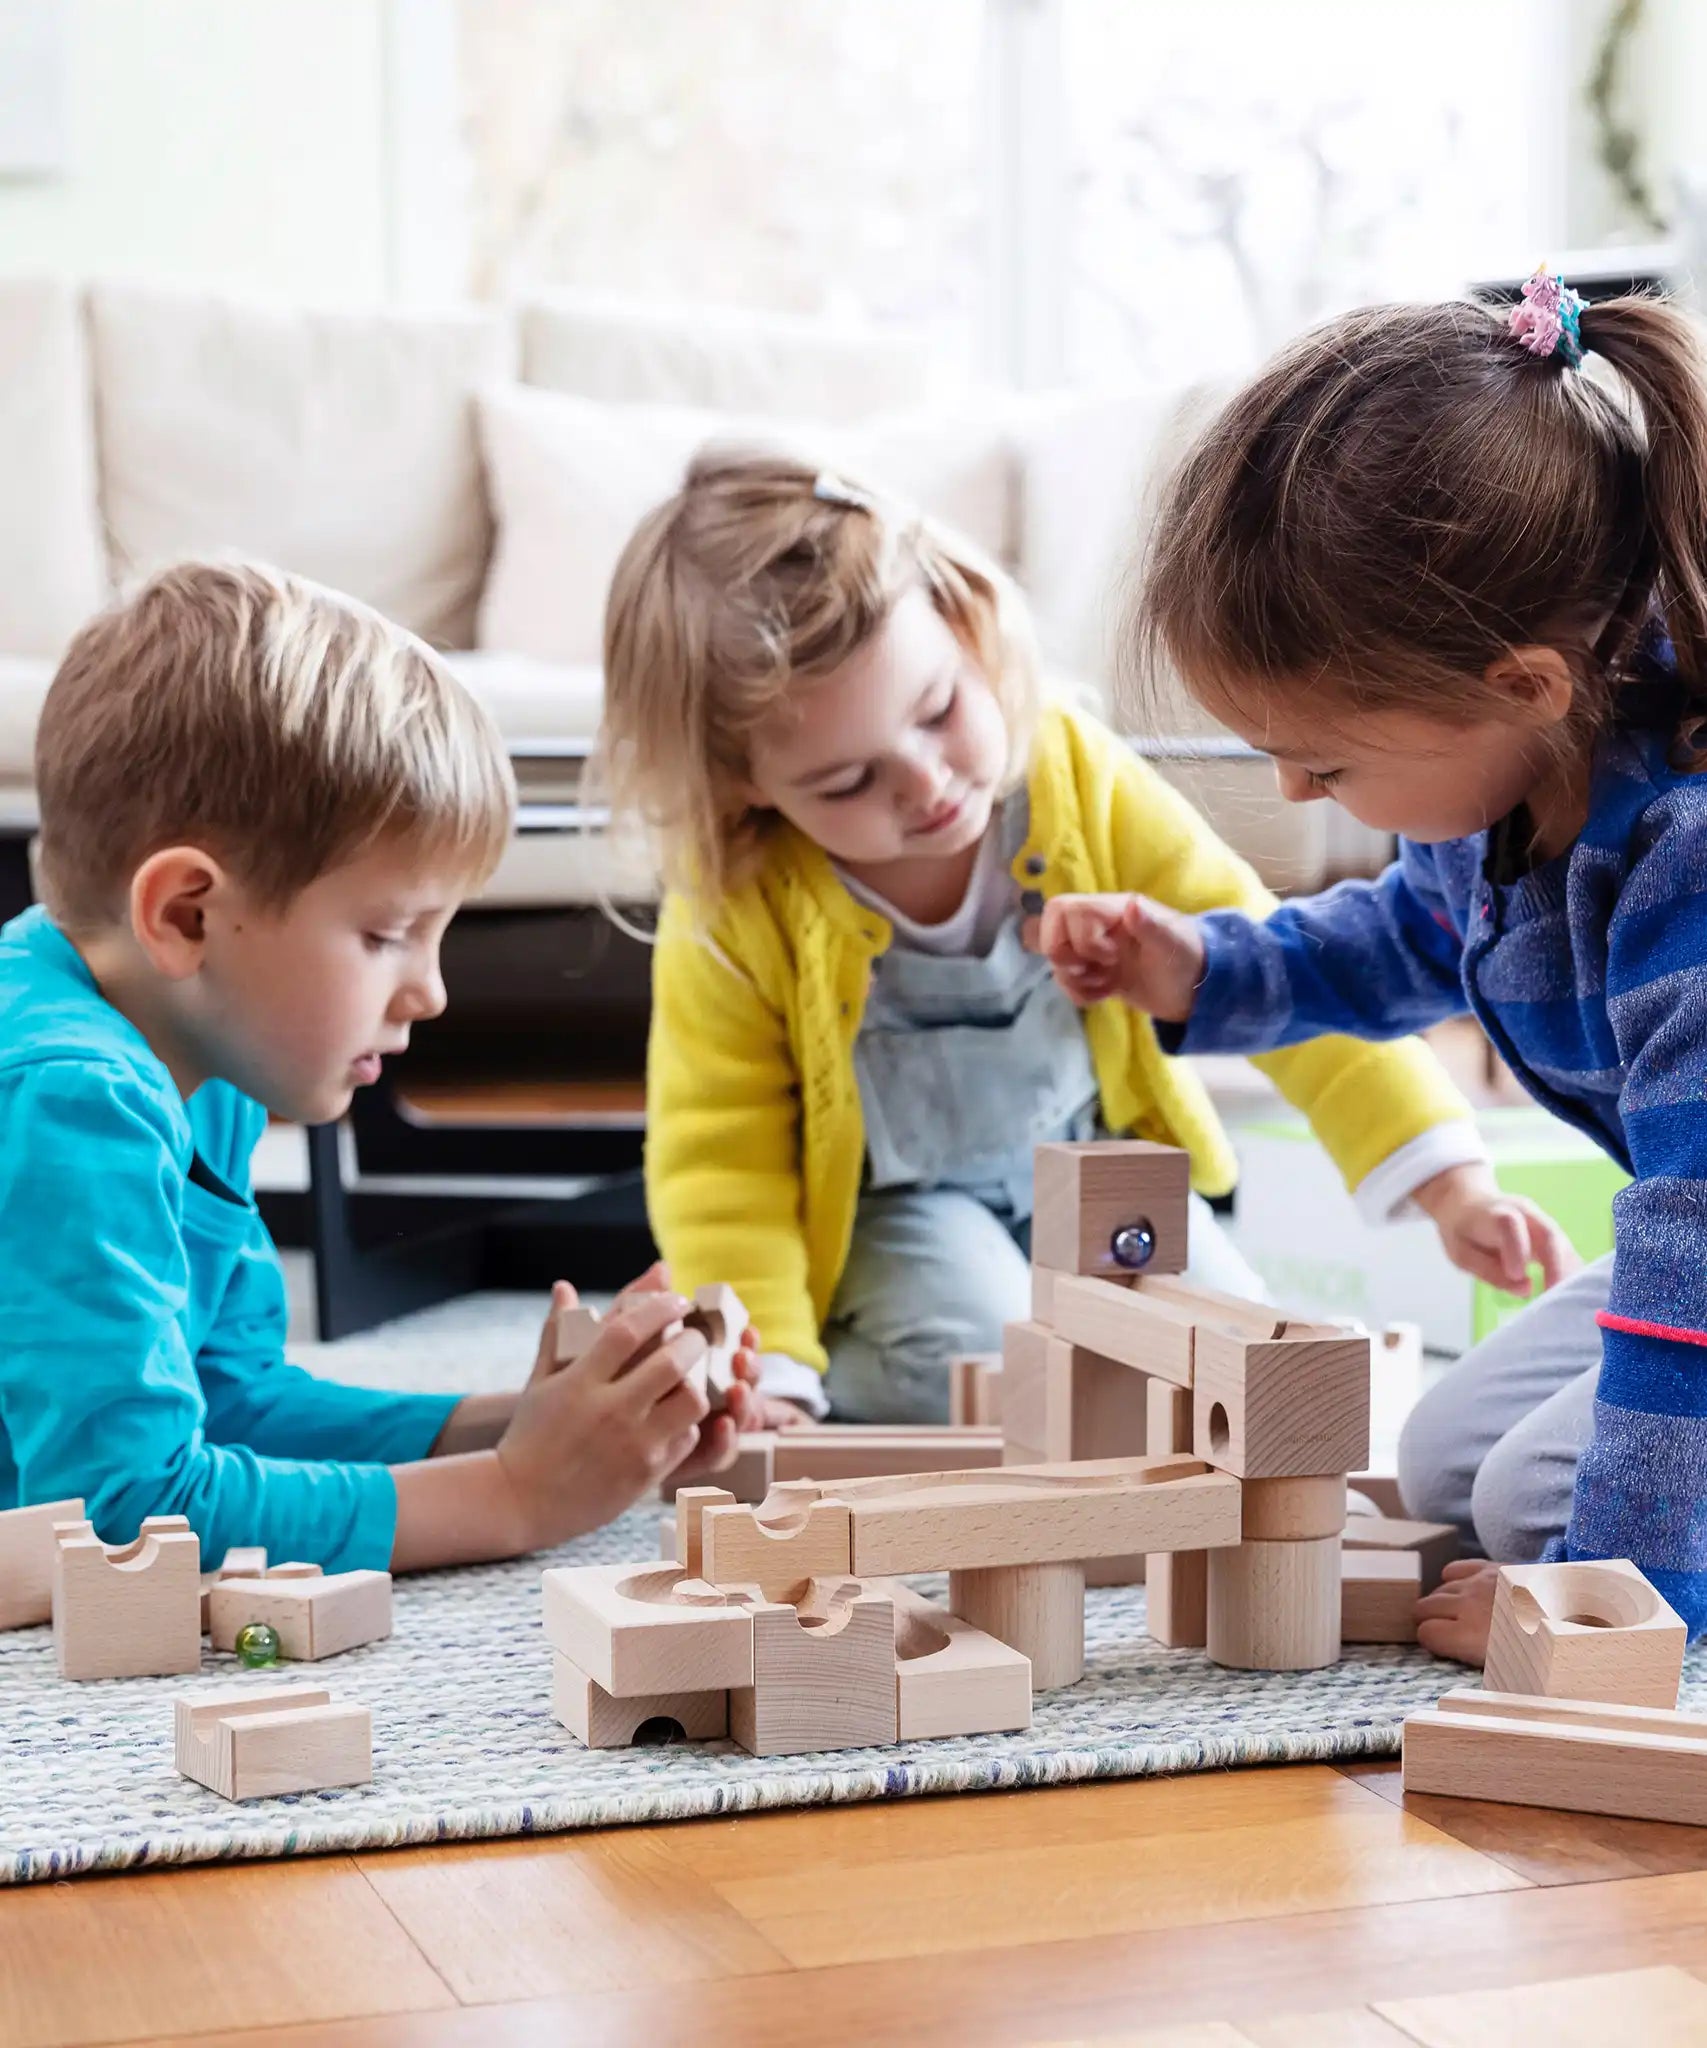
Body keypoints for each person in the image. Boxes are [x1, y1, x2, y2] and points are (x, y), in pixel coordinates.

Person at [598, 448, 1551, 1428]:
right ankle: (849, 1358)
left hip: (1100, 1169)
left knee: (1232, 1353)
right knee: (994, 1366)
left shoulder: (1069, 771)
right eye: (846, 782)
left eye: (940, 710)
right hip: (905, 1215)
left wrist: (1447, 1180)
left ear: (966, 628)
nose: (927, 784)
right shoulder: (735, 901)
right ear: (743, 781)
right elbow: (720, 1155)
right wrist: (774, 1368)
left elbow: (1274, 968)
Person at [1036, 274, 1707, 1652]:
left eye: (1324, 761)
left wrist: (1599, 1602)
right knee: (1445, 1457)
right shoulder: (1508, 789)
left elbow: (1689, 1255)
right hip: (1686, 1229)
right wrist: (1203, 972)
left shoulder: (1682, 867)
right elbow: (1411, 943)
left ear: (1520, 683)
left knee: (1536, 1507)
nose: (1290, 794)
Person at [0, 559, 757, 1575]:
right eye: (387, 933)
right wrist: (515, 1494)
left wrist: (530, 1428)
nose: (430, 991)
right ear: (186, 914)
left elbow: (228, 1398)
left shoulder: (189, 1043)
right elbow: (116, 1517)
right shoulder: (74, 1093)